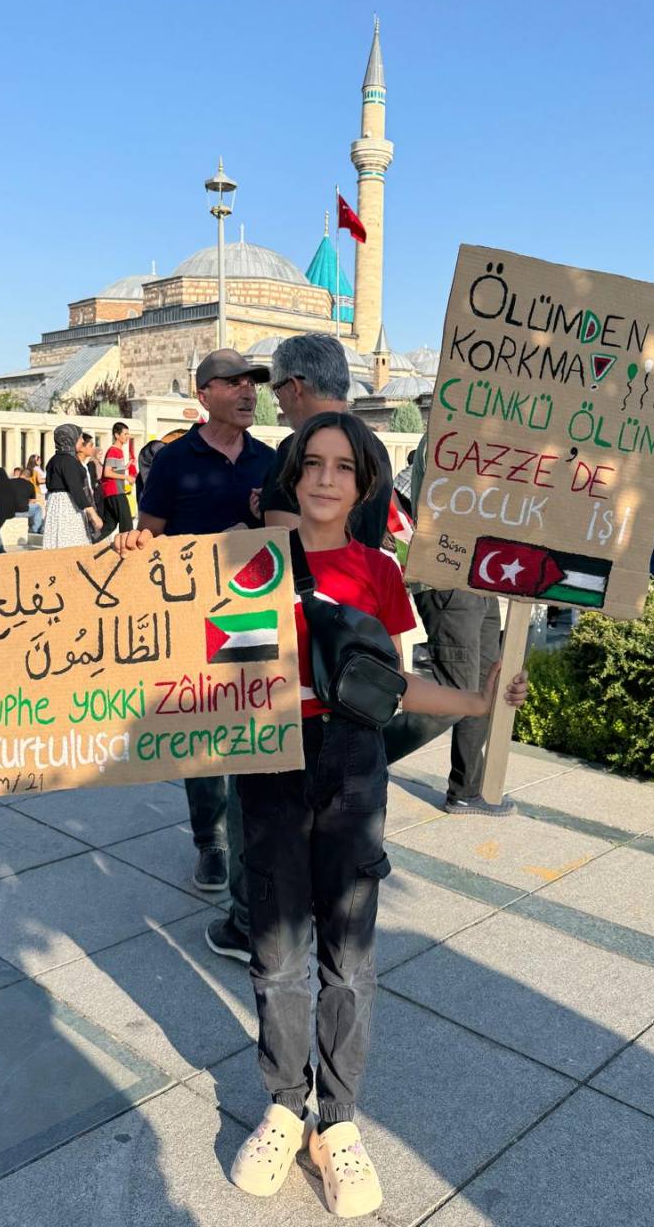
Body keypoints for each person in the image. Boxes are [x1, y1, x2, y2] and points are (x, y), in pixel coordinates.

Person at [211, 413, 526, 1213]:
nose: (324, 479)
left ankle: (338, 1121)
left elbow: (396, 685)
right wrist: (138, 558)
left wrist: (477, 699)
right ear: (290, 475)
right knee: (277, 950)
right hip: (267, 765)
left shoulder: (378, 571)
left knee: (348, 955)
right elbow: (173, 649)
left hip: (351, 765)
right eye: (309, 464)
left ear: (365, 483)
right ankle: (285, 1105)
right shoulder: (236, 561)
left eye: (342, 467)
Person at [201, 332, 397, 963]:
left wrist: (244, 533)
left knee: (256, 794)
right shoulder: (373, 451)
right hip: (354, 665)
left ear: (294, 387)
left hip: (293, 665)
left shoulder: (299, 453)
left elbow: (286, 557)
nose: (271, 403)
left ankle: (246, 919)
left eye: (274, 389)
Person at [134, 348, 275, 900]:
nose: (247, 392)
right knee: (201, 731)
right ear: (203, 394)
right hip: (193, 614)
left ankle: (247, 835)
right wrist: (135, 542)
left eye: (253, 384)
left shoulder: (269, 459)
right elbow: (151, 538)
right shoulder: (174, 461)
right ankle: (210, 841)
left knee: (252, 732)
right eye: (233, 382)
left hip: (254, 614)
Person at [380, 434, 511, 815]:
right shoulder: (455, 428)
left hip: (478, 577)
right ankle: (359, 761)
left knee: (485, 682)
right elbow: (402, 493)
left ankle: (467, 789)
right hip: (448, 577)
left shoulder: (490, 430)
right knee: (459, 692)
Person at [261, 333, 394, 547]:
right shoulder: (376, 448)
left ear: (294, 387)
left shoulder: (298, 447)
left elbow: (283, 549)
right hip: (363, 578)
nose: (281, 405)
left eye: (278, 391)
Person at [43, 424, 103, 548]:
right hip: (67, 506)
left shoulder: (54, 459)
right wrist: (93, 514)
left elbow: (49, 484)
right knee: (71, 542)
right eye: (79, 438)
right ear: (70, 439)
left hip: (55, 504)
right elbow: (76, 488)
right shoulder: (68, 461)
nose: (81, 441)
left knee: (57, 541)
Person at [99, 421, 136, 538]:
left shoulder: (118, 451)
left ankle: (90, 543)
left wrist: (125, 467)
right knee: (127, 525)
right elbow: (107, 472)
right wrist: (126, 476)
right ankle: (127, 551)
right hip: (115, 492)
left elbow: (114, 470)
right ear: (117, 435)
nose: (128, 437)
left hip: (112, 492)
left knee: (110, 525)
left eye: (128, 434)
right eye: (125, 434)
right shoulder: (113, 450)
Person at [23, 453, 46, 535]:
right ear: (34, 461)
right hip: (39, 492)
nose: (40, 459)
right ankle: (36, 528)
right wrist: (49, 479)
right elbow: (39, 480)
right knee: (40, 510)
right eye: (38, 458)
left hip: (34, 492)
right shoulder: (36, 469)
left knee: (34, 510)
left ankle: (32, 527)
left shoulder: (31, 469)